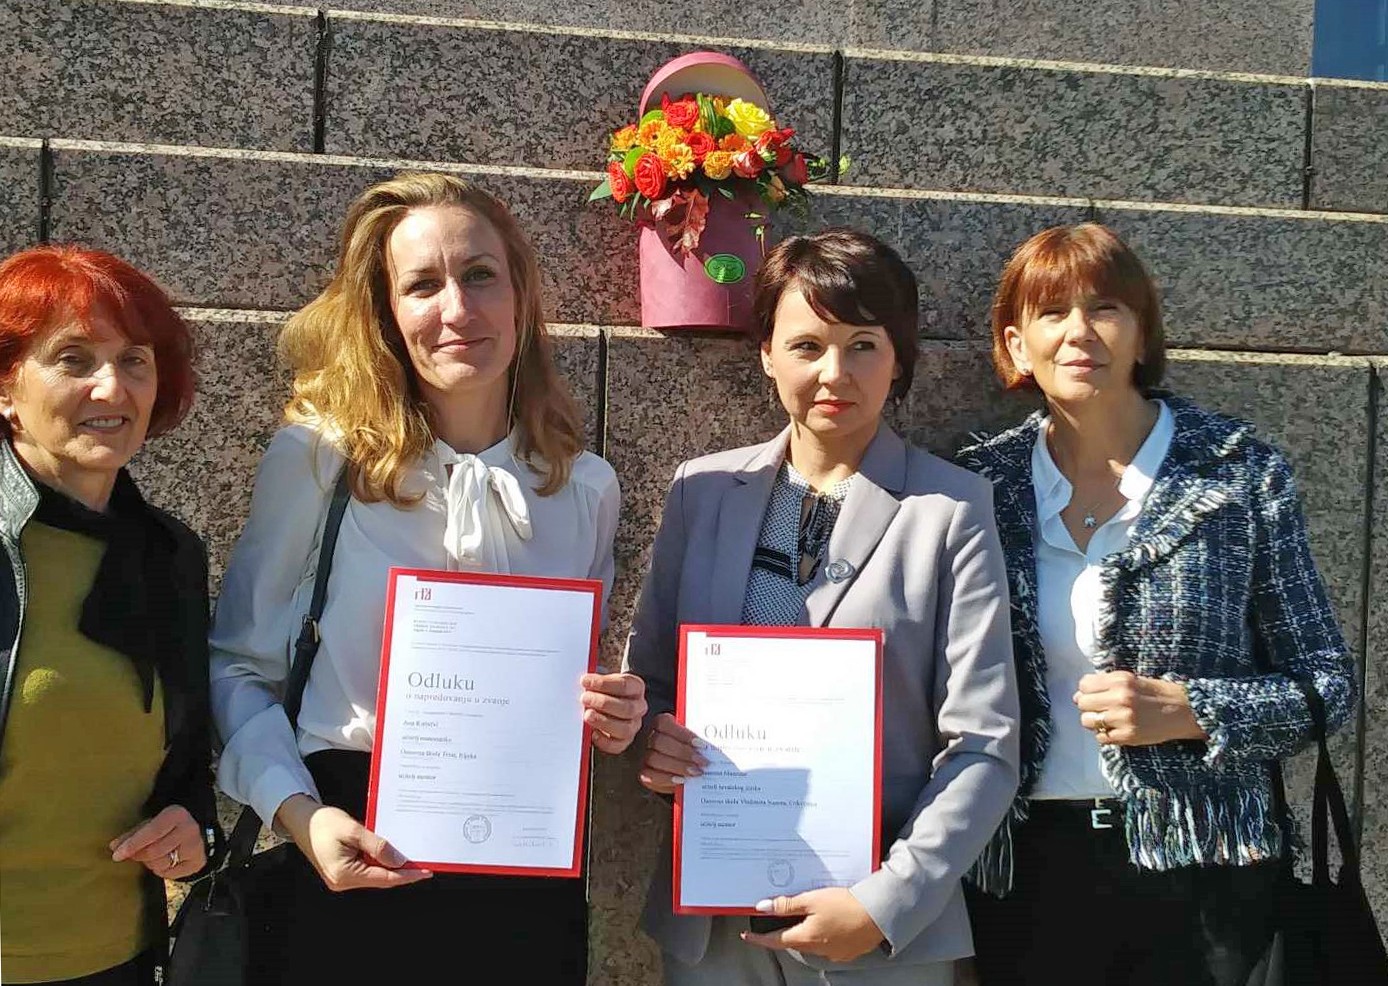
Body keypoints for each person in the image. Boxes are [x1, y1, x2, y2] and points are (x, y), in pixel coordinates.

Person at [209, 172, 647, 984]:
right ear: (385, 311)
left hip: (524, 867)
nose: (457, 309)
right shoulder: (320, 459)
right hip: (348, 846)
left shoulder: (584, 487)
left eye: (480, 275)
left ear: (520, 295)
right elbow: (238, 666)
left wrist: (610, 714)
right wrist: (300, 815)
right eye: (421, 285)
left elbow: (567, 690)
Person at [957, 222, 1358, 985]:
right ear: (1015, 344)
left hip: (1207, 874)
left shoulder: (1237, 472)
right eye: (1051, 312)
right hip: (1026, 873)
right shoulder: (980, 482)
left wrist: (1192, 711)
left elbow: (1326, 685)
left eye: (1104, 308)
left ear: (1141, 333)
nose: (1079, 331)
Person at [623, 229, 1020, 986]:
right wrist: (656, 742)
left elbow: (984, 744)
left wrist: (885, 903)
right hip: (713, 922)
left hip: (876, 928)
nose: (834, 373)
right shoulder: (701, 491)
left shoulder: (951, 510)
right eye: (806, 346)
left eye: (863, 345)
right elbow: (651, 685)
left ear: (899, 358)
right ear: (766, 353)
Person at [0, 245, 218, 985]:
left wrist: (191, 824)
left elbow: (184, 764)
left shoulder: (171, 557)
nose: (112, 385)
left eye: (134, 360)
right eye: (73, 358)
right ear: (7, 386)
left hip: (117, 959)